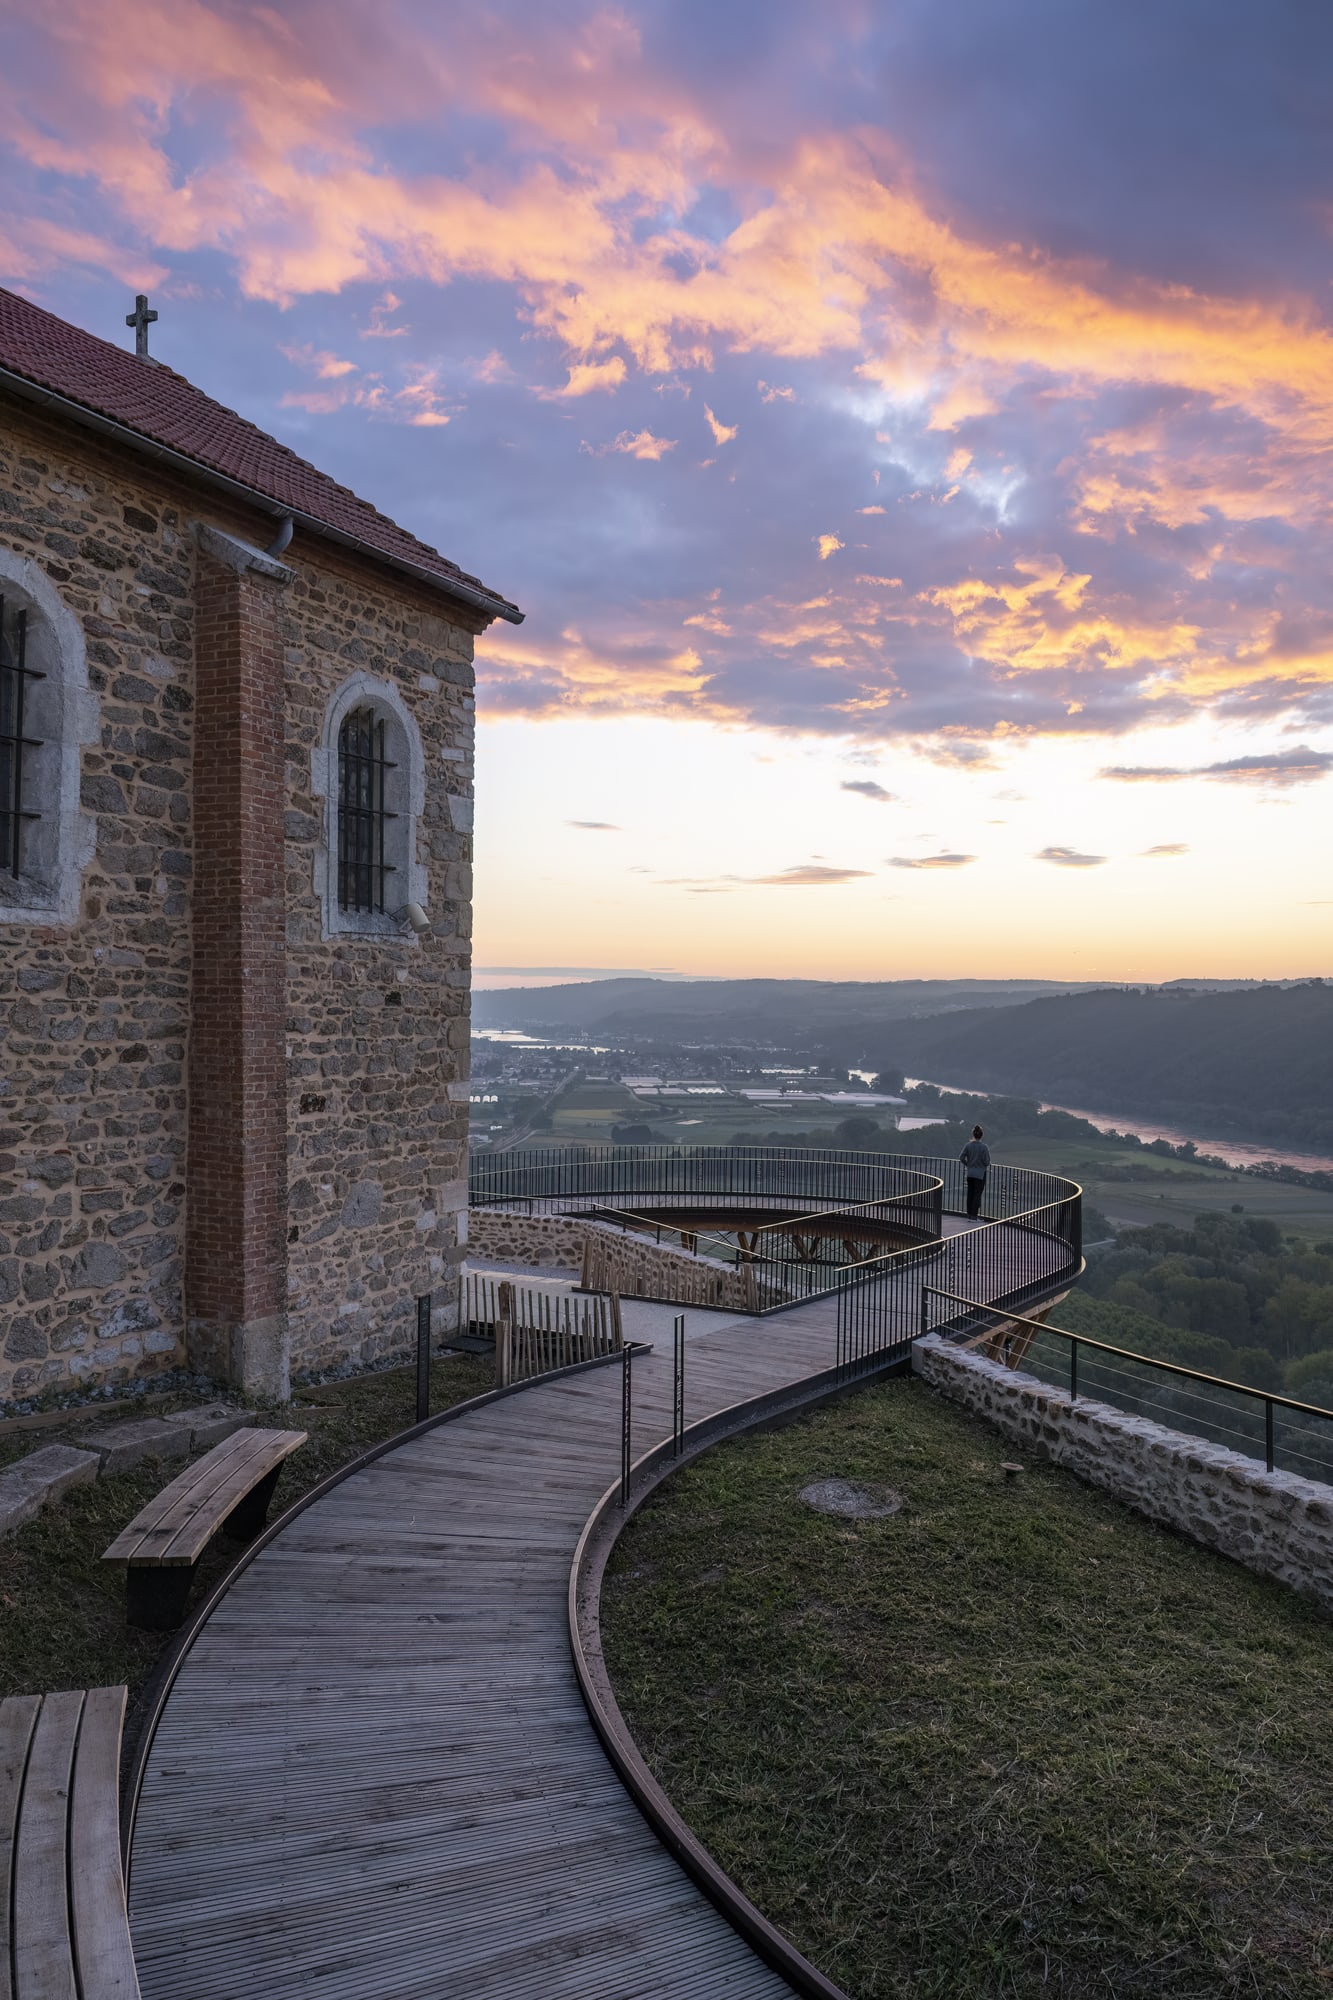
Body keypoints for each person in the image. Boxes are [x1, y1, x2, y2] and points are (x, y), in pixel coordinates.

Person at [960, 1124, 990, 1219]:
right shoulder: (984, 1147)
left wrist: (968, 1164)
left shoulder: (968, 1145)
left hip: (970, 1174)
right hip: (980, 1174)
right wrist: (981, 1165)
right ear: (981, 1135)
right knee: (977, 1194)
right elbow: (987, 1162)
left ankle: (969, 1214)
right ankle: (974, 1215)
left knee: (970, 1194)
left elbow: (961, 1157)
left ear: (973, 1134)